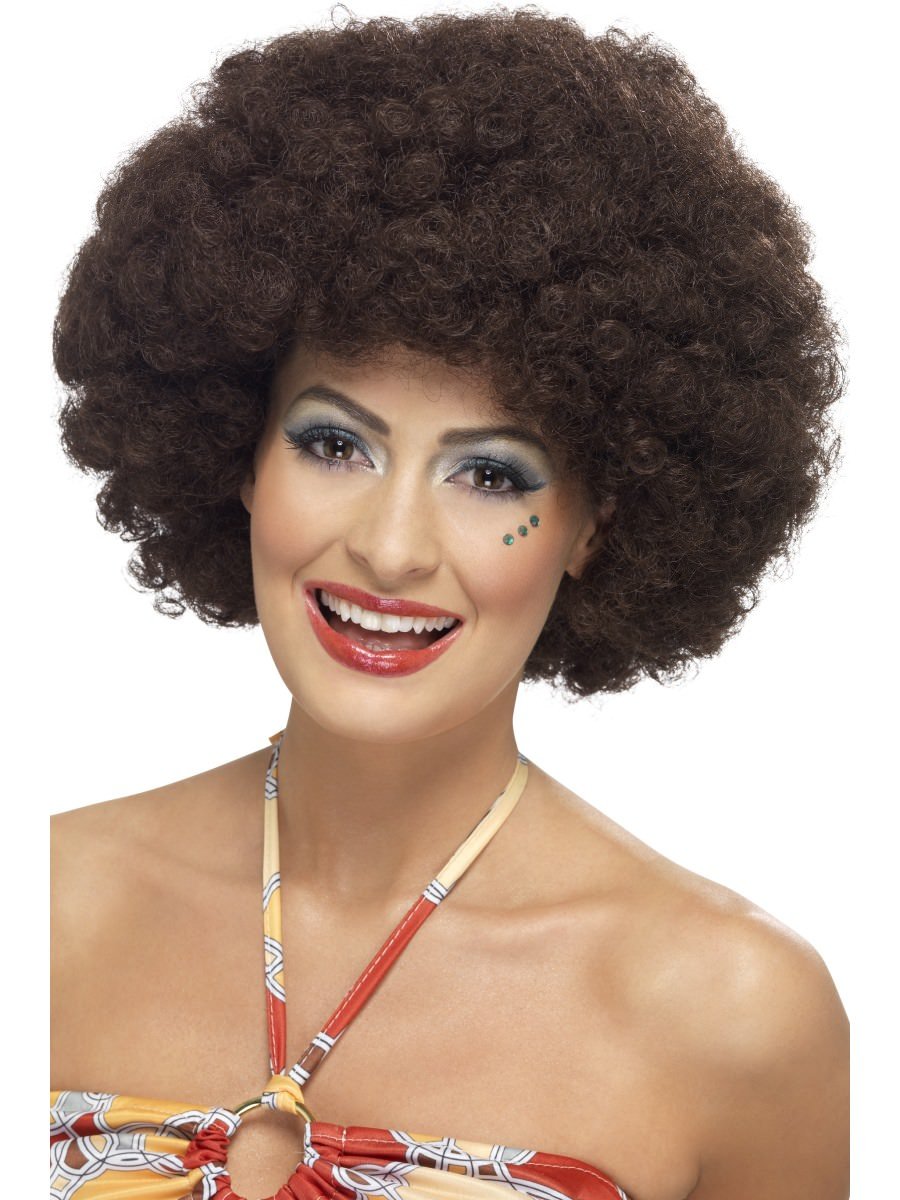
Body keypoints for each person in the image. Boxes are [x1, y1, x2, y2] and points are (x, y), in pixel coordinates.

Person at [49, 8, 849, 1200]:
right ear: (238, 453)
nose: (389, 548)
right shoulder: (47, 906)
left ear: (597, 523)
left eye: (491, 475)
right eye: (334, 445)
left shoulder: (734, 1019)